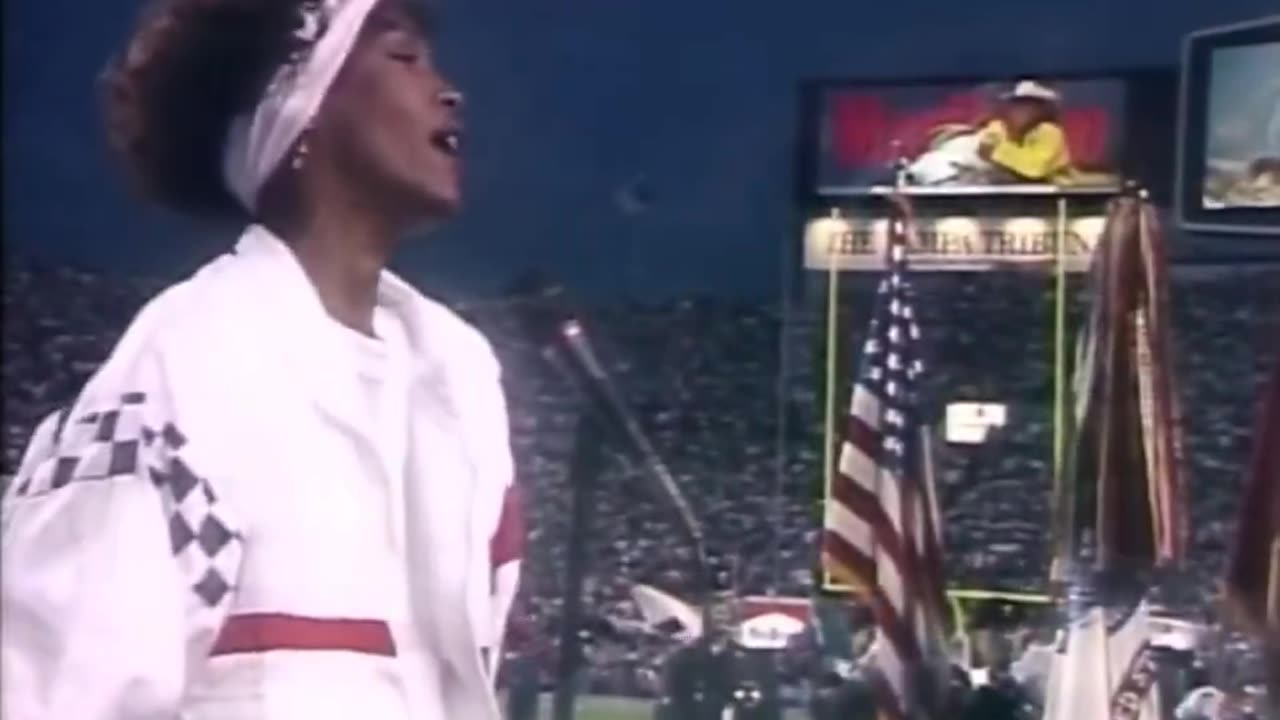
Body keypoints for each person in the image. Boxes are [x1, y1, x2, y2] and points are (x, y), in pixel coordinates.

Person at [0, 0, 524, 718]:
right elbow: (57, 691)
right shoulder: (193, 362)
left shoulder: (461, 377)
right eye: (402, 56)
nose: (448, 90)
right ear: (301, 107)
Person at [975, 80, 1074, 183]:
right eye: (1015, 104)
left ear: (1042, 109)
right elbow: (986, 145)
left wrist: (996, 151)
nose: (1018, 110)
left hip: (1048, 190)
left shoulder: (1050, 132)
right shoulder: (1003, 127)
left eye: (1026, 104)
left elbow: (1035, 168)